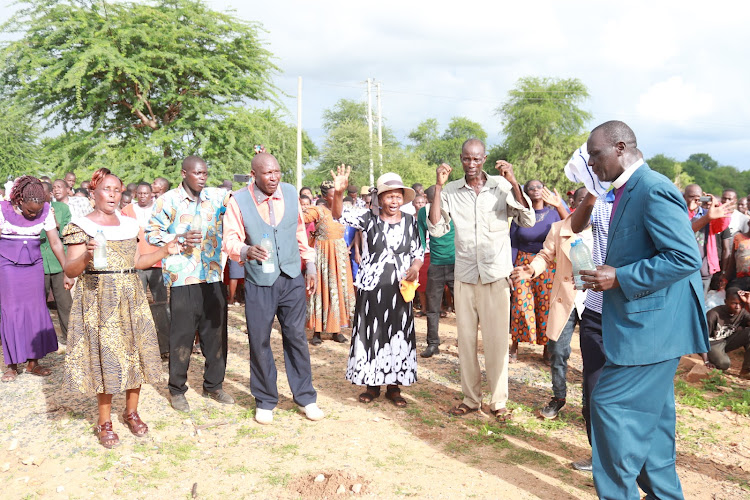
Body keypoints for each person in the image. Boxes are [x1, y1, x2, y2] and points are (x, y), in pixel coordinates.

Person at [579, 120, 709, 498]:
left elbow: (685, 256)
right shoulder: (626, 189)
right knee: (653, 426)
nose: (593, 165)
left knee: (609, 405)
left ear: (620, 147)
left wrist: (619, 277)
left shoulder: (653, 189)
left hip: (653, 331)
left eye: (596, 155)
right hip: (642, 329)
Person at [63, 168, 181, 448]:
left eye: (117, 190)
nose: (113, 195)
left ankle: (131, 412)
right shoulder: (81, 226)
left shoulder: (129, 224)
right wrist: (87, 255)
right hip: (98, 299)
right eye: (107, 189)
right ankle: (104, 421)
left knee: (134, 354)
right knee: (106, 360)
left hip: (131, 297)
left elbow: (137, 262)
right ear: (93, 193)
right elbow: (70, 268)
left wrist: (165, 250)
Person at [428, 139, 534, 421]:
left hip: (495, 276)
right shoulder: (450, 190)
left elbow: (527, 220)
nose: (471, 165)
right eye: (466, 159)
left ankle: (498, 402)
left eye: (476, 159)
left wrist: (514, 182)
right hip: (464, 275)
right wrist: (438, 187)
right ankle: (471, 399)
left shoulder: (501, 186)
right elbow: (437, 228)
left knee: (497, 342)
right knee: (465, 342)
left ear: (484, 158)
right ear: (460, 159)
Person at [223, 152, 323, 424]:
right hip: (259, 282)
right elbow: (229, 239)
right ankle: (266, 399)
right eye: (268, 174)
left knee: (296, 337)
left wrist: (310, 265)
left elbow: (300, 231)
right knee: (260, 340)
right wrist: (245, 249)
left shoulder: (290, 193)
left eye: (277, 172)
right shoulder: (239, 201)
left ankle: (305, 397)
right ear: (253, 175)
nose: (274, 178)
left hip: (291, 277)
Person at [330, 167, 423, 407]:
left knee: (397, 334)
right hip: (371, 289)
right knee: (372, 333)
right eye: (389, 195)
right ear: (379, 198)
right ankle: (371, 384)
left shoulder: (411, 222)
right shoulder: (367, 219)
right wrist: (339, 193)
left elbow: (419, 253)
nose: (394, 200)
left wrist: (415, 267)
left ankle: (394, 386)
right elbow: (339, 216)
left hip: (400, 290)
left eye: (398, 196)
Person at [147, 156, 234, 412]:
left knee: (216, 334)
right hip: (182, 277)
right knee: (182, 335)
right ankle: (177, 389)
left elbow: (240, 199)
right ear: (184, 173)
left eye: (205, 173)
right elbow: (152, 234)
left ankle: (213, 386)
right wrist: (178, 237)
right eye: (197, 173)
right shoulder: (168, 200)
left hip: (213, 275)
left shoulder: (216, 197)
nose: (202, 177)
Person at [510, 187, 591, 420]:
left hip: (595, 302)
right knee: (557, 351)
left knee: (592, 355)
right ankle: (559, 397)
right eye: (581, 200)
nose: (587, 205)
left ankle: (590, 404)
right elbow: (545, 256)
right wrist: (532, 269)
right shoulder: (559, 229)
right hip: (566, 299)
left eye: (590, 201)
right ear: (572, 202)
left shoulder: (603, 230)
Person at [1, 177, 71, 382]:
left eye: (37, 211)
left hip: (33, 265)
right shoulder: (3, 210)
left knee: (35, 311)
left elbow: (56, 243)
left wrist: (67, 269)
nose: (33, 215)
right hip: (7, 265)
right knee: (11, 312)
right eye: (30, 211)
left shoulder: (46, 210)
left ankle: (34, 363)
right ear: (19, 200)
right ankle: (12, 365)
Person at [509, 181, 567, 363]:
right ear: (525, 193)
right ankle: (515, 345)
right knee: (520, 304)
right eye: (531, 188)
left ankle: (546, 348)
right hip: (522, 263)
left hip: (547, 264)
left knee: (545, 305)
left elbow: (569, 229)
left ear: (544, 190)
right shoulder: (521, 215)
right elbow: (513, 243)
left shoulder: (554, 214)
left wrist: (560, 205)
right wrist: (510, 268)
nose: (535, 190)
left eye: (538, 187)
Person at [303, 180, 356, 346]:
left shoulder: (345, 212)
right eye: (334, 194)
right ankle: (317, 331)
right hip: (323, 256)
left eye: (339, 194)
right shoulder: (318, 210)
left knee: (338, 290)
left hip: (339, 256)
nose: (337, 197)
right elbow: (300, 217)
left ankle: (337, 330)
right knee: (321, 290)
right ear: (325, 197)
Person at [121, 182, 170, 358]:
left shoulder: (160, 209)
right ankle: (136, 347)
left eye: (146, 193)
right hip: (136, 265)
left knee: (161, 305)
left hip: (157, 264)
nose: (142, 196)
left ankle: (165, 347)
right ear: (136, 194)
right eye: (139, 193)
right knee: (135, 305)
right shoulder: (127, 210)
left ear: (151, 195)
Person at [417, 185, 455, 358]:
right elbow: (421, 238)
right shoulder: (423, 213)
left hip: (456, 264)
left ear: (426, 197)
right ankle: (433, 344)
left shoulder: (453, 208)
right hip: (436, 264)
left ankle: (463, 344)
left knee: (462, 308)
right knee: (433, 308)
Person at [683, 184, 732, 297]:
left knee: (700, 304)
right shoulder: (679, 212)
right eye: (691, 196)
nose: (695, 200)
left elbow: (722, 224)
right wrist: (689, 210)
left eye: (698, 197)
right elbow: (683, 231)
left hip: (703, 269)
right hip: (683, 268)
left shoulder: (707, 213)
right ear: (684, 197)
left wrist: (716, 205)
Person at [40, 181, 73, 345]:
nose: (41, 197)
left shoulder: (62, 209)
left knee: (65, 305)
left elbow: (68, 233)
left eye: (44, 193)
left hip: (59, 263)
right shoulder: (31, 211)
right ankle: (41, 342)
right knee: (39, 306)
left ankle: (71, 341)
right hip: (38, 264)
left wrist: (55, 222)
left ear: (50, 194)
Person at [703, 287, 750, 377]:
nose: (738, 307)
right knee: (724, 364)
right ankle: (716, 357)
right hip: (712, 343)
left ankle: (746, 371)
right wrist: (706, 360)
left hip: (727, 341)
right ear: (725, 302)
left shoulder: (742, 312)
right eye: (734, 303)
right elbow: (701, 339)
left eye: (741, 304)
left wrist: (748, 303)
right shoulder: (714, 314)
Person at [412, 193, 429, 317]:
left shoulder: (430, 217)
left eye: (422, 202)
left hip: (430, 252)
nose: (420, 204)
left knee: (432, 284)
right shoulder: (410, 218)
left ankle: (437, 308)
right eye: (418, 202)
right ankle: (423, 309)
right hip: (417, 253)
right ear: (413, 204)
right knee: (421, 284)